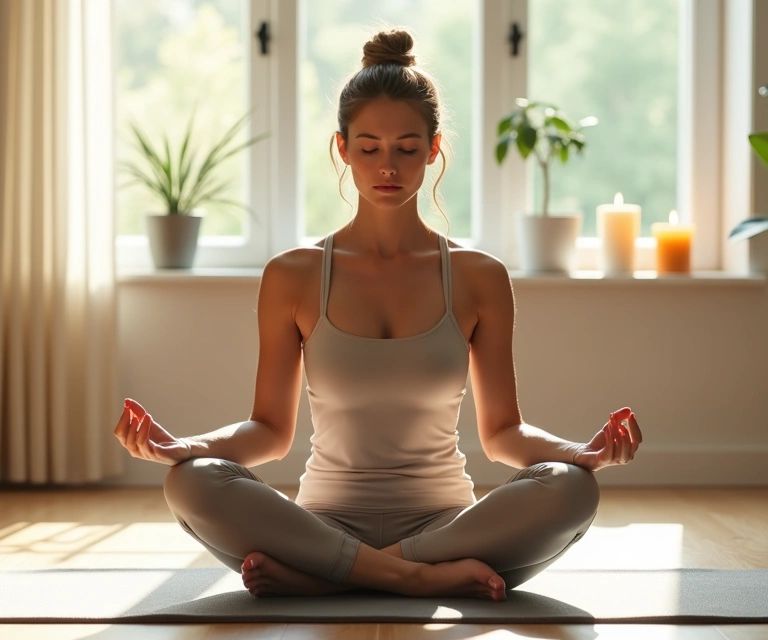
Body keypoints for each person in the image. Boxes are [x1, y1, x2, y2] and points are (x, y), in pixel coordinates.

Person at [113, 28, 643, 602]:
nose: (387, 166)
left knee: (574, 490)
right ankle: (414, 579)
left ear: (434, 149)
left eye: (407, 148)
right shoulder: (293, 274)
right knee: (190, 482)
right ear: (341, 148)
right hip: (320, 525)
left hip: (445, 528)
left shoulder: (479, 276)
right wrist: (184, 447)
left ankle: (332, 577)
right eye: (369, 148)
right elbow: (268, 431)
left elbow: (502, 435)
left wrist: (579, 455)